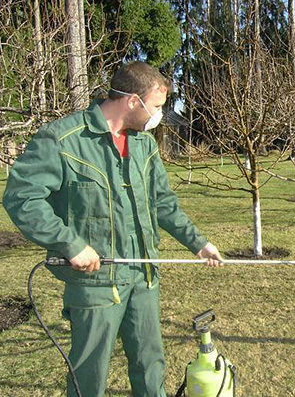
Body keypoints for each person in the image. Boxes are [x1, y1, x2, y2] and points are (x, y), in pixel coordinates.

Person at [2, 61, 224, 397]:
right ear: (133, 101)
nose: (159, 115)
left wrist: (199, 243)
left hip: (144, 276)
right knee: (89, 375)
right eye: (157, 106)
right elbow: (22, 198)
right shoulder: (62, 140)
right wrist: (70, 243)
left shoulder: (144, 146)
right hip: (95, 286)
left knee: (151, 365)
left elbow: (163, 204)